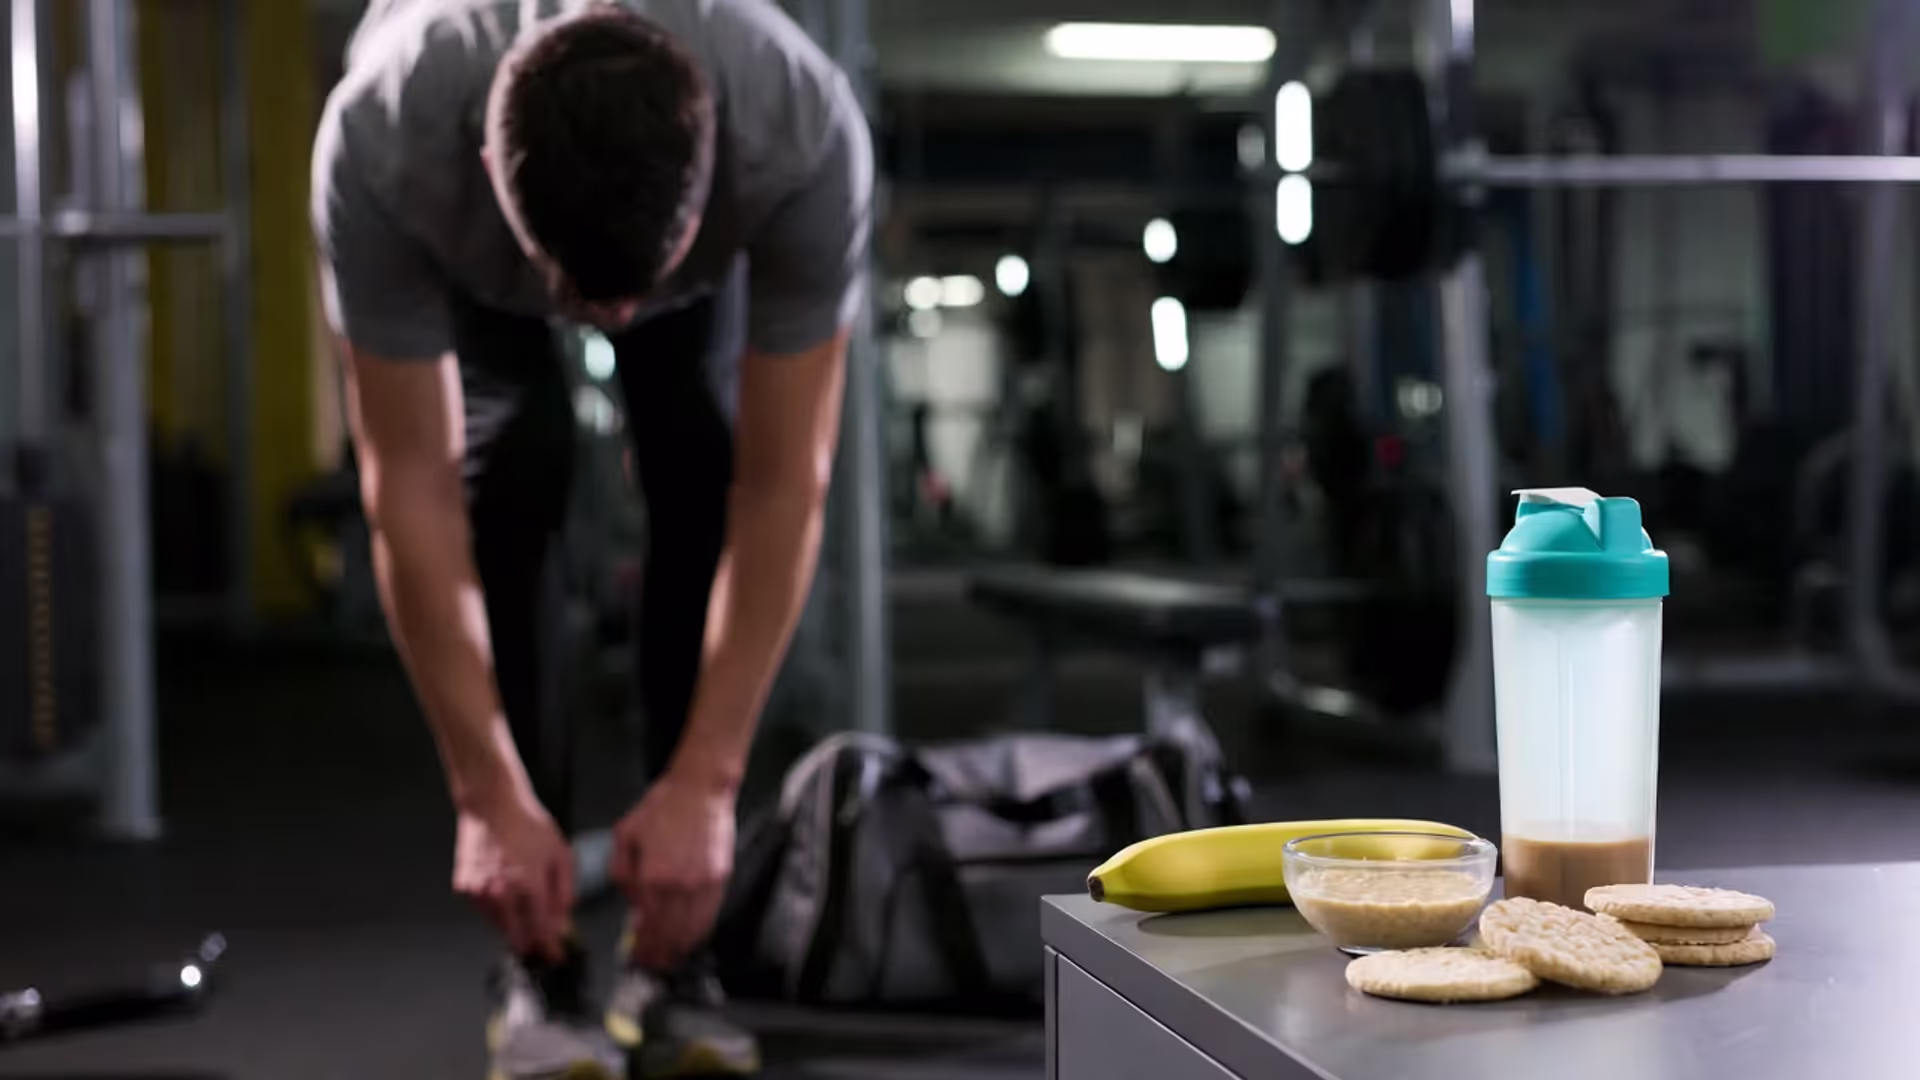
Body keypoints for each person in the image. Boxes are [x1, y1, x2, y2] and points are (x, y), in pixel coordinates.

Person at [309, 1, 872, 1076]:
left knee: (698, 451)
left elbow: (782, 483)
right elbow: (408, 492)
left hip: (674, 221)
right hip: (478, 235)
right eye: (584, 299)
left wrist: (709, 784)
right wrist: (485, 798)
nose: (607, 326)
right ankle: (541, 962)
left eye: (631, 299)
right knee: (516, 458)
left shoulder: (797, 131)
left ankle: (676, 952)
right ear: (485, 160)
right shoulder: (385, 138)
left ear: (712, 160)